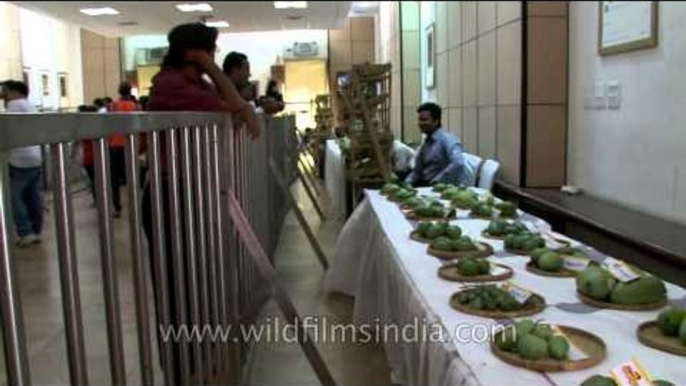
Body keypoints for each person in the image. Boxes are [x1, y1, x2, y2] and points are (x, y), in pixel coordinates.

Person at [143, 22, 258, 384]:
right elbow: (234, 108)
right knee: (175, 286)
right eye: (211, 50)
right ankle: (180, 369)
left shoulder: (194, 83)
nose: (215, 57)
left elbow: (235, 111)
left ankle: (197, 359)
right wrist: (210, 68)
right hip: (166, 192)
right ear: (196, 51)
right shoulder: (170, 84)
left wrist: (212, 75)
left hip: (185, 189)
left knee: (194, 279)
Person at [1, 80, 43, 247]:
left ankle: (25, 231)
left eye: (5, 90)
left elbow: (5, 128)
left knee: (13, 196)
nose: (3, 92)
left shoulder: (14, 105)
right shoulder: (30, 106)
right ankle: (36, 230)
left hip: (19, 159)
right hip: (35, 156)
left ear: (14, 91)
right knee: (32, 195)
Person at [405, 102, 474, 187]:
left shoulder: (448, 140)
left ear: (436, 121)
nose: (420, 123)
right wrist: (406, 183)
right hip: (424, 184)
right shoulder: (426, 144)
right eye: (419, 119)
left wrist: (437, 181)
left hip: (439, 188)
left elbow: (458, 163)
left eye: (425, 120)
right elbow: (417, 171)